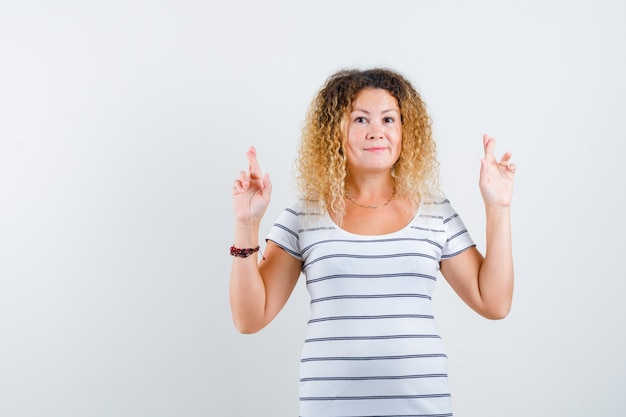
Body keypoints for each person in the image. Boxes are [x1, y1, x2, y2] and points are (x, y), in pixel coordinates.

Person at [229, 68, 516, 417]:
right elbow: (249, 319)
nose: (376, 131)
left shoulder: (434, 212)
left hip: (423, 407)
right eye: (361, 119)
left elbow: (494, 302)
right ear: (334, 131)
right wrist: (247, 223)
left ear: (405, 132)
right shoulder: (304, 215)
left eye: (389, 119)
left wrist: (498, 207)